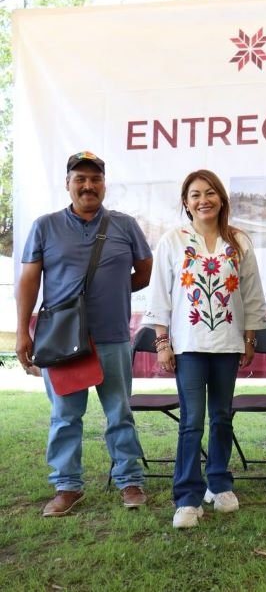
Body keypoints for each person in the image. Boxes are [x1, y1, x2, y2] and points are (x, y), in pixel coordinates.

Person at [15, 151, 153, 517]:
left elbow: (143, 273)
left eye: (95, 179)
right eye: (80, 178)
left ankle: (130, 481)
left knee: (120, 412)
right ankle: (66, 486)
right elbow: (29, 280)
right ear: (68, 184)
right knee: (65, 416)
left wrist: (113, 292)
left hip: (112, 337)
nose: (88, 185)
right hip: (61, 340)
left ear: (104, 185)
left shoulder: (125, 225)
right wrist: (22, 332)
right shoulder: (45, 226)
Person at [143, 169, 266, 529]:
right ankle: (187, 497)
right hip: (188, 346)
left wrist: (249, 339)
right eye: (196, 194)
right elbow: (160, 293)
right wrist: (163, 342)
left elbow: (251, 293)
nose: (204, 200)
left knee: (222, 416)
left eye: (211, 192)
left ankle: (219, 483)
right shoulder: (173, 240)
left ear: (221, 199)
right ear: (186, 202)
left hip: (228, 344)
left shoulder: (238, 241)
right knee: (191, 421)